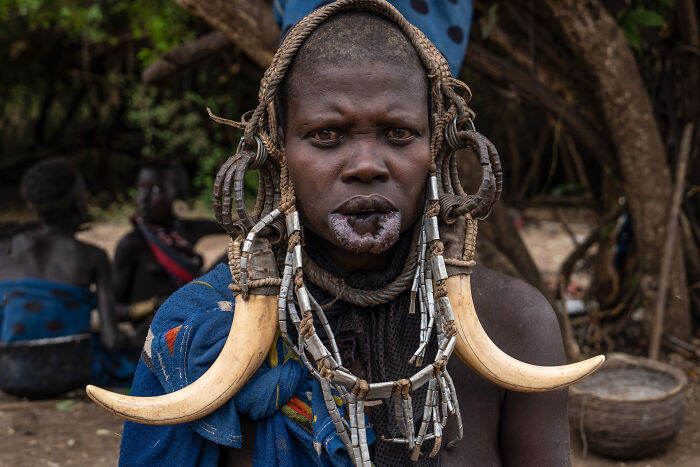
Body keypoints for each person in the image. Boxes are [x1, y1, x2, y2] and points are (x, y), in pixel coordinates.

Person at [98, 1, 603, 465]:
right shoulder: (201, 327)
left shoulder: (514, 321)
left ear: (441, 148)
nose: (366, 165)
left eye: (399, 133)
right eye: (327, 135)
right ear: (275, 151)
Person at [0, 159, 130, 397]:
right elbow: (112, 339)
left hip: (8, 375)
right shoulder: (93, 257)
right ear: (76, 199)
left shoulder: (5, 249)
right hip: (72, 375)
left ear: (31, 204)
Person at [112, 162, 223, 333]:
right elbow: (112, 309)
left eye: (155, 190)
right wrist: (153, 305)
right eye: (141, 189)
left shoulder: (186, 231)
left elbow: (238, 226)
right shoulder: (132, 244)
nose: (144, 198)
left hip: (196, 327)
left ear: (177, 195)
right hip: (152, 338)